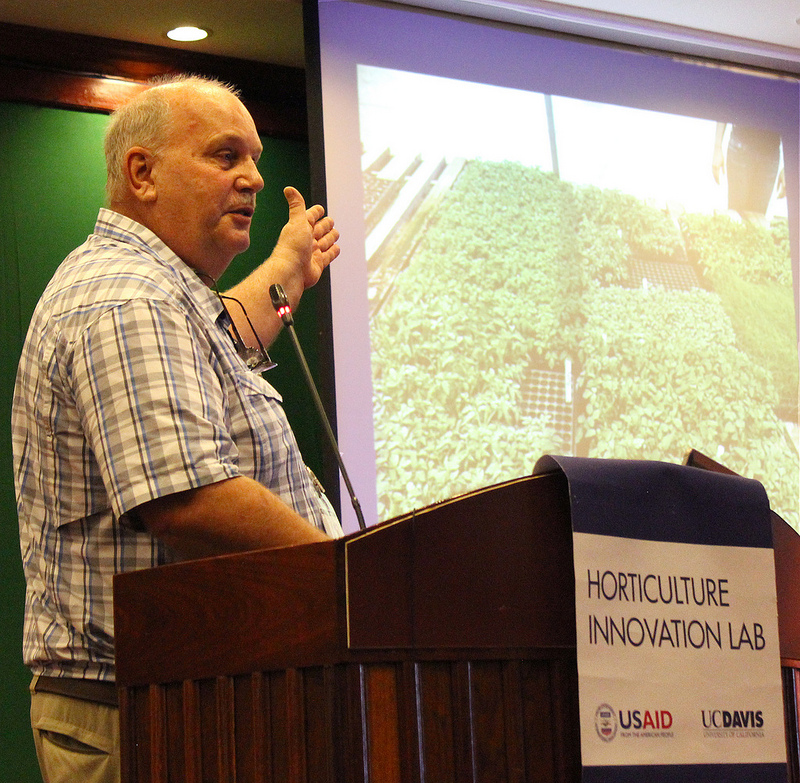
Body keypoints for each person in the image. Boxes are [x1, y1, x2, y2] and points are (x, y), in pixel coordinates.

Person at [11, 74, 343, 783]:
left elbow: (225, 339)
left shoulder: (159, 289)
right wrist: (346, 577)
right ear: (142, 173)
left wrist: (289, 273)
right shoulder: (126, 296)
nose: (254, 176)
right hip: (139, 710)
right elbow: (188, 495)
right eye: (226, 156)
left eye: (255, 157)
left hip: (172, 698)